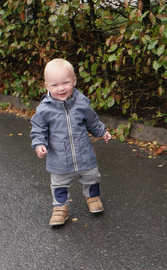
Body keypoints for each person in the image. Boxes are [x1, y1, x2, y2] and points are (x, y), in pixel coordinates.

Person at [30, 58, 111, 226]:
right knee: (59, 184)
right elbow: (38, 129)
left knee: (92, 177)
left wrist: (102, 131)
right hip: (59, 159)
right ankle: (60, 208)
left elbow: (92, 121)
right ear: (47, 86)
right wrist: (39, 144)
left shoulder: (82, 103)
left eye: (66, 82)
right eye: (54, 85)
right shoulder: (44, 110)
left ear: (74, 80)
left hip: (84, 155)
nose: (61, 88)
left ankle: (93, 197)